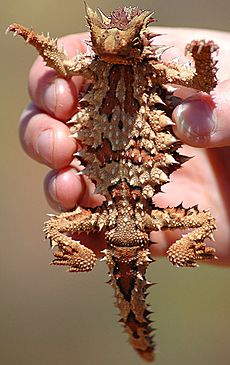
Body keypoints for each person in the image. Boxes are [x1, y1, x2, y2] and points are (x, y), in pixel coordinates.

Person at [18, 28, 230, 264]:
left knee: (55, 226)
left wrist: (203, 59)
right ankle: (95, 265)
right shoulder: (94, 66)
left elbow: (202, 81)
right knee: (54, 226)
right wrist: (38, 42)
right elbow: (63, 65)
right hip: (133, 214)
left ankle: (166, 259)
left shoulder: (154, 69)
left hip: (115, 215)